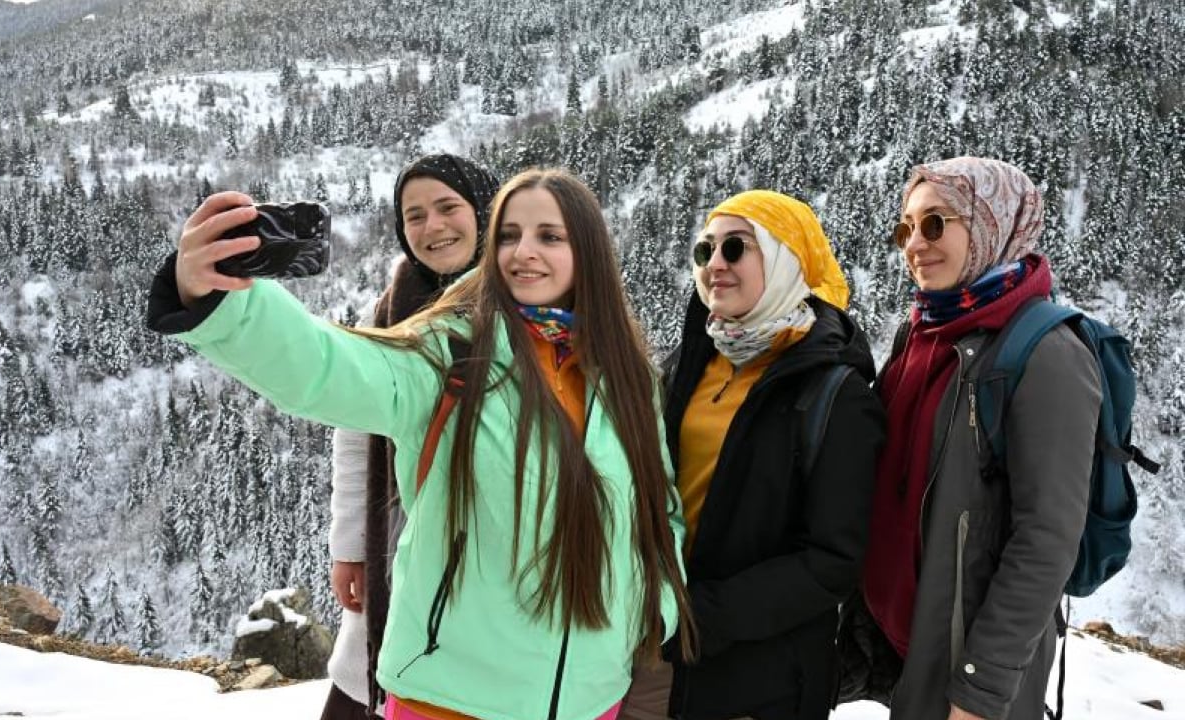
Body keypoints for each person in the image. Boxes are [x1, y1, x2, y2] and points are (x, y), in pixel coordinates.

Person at [146, 167, 695, 720]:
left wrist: (650, 611)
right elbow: (329, 367)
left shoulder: (628, 377)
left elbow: (656, 509)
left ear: (589, 252)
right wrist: (218, 297)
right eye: (508, 235)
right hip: (451, 698)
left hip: (589, 699)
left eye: (549, 237)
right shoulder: (453, 351)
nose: (523, 252)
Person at [624, 190, 885, 720]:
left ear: (787, 262)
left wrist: (702, 618)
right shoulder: (687, 365)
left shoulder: (835, 394)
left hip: (759, 679)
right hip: (654, 655)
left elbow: (833, 562)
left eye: (737, 249)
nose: (715, 264)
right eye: (705, 250)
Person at [856, 157, 1100, 720]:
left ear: (992, 223)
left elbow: (1047, 540)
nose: (916, 243)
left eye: (936, 223)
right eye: (906, 228)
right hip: (906, 651)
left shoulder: (1047, 354)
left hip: (965, 676)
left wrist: (981, 690)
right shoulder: (921, 332)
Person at [322, 154, 498, 719]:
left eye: (448, 208)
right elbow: (356, 435)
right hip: (400, 537)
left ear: (485, 212)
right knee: (362, 686)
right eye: (414, 215)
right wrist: (351, 547)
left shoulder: (523, 307)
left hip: (488, 554)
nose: (432, 226)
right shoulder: (392, 310)